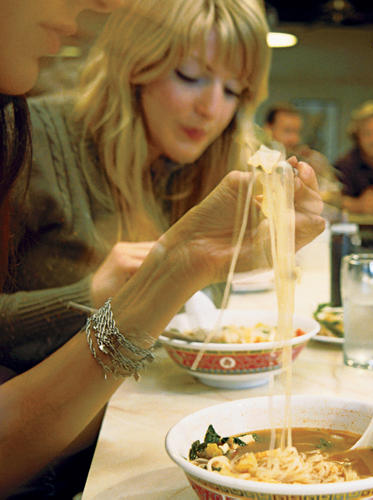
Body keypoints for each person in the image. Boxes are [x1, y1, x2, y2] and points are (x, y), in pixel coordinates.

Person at [0, 0, 325, 496]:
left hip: (125, 440)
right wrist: (88, 295)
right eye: (191, 76)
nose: (212, 108)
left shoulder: (188, 169)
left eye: (233, 91)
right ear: (136, 67)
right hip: (46, 470)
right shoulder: (28, 139)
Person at [263, 102, 341, 207]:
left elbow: (335, 198)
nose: (295, 139)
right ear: (268, 129)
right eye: (287, 131)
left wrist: (320, 172)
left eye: (297, 132)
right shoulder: (256, 161)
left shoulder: (305, 160)